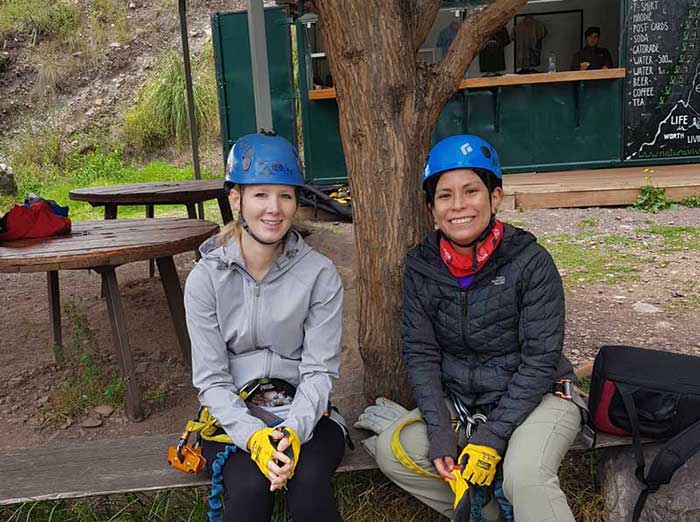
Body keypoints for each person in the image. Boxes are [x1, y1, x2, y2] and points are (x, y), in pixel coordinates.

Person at [369, 135, 585, 521]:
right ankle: (486, 514)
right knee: (393, 449)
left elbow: (540, 360)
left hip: (541, 397)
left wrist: (491, 437)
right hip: (465, 405)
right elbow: (421, 355)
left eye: (471, 191)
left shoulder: (531, 262)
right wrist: (440, 438)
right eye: (444, 195)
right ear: (432, 207)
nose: (458, 206)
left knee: (525, 476)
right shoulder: (422, 267)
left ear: (495, 196)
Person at [184, 132, 347, 522]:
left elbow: (319, 370)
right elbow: (211, 379)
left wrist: (292, 430)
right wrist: (252, 436)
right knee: (246, 490)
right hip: (234, 418)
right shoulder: (206, 279)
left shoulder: (319, 275)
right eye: (260, 194)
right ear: (236, 199)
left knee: (309, 485)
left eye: (285, 195)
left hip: (308, 415)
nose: (274, 208)